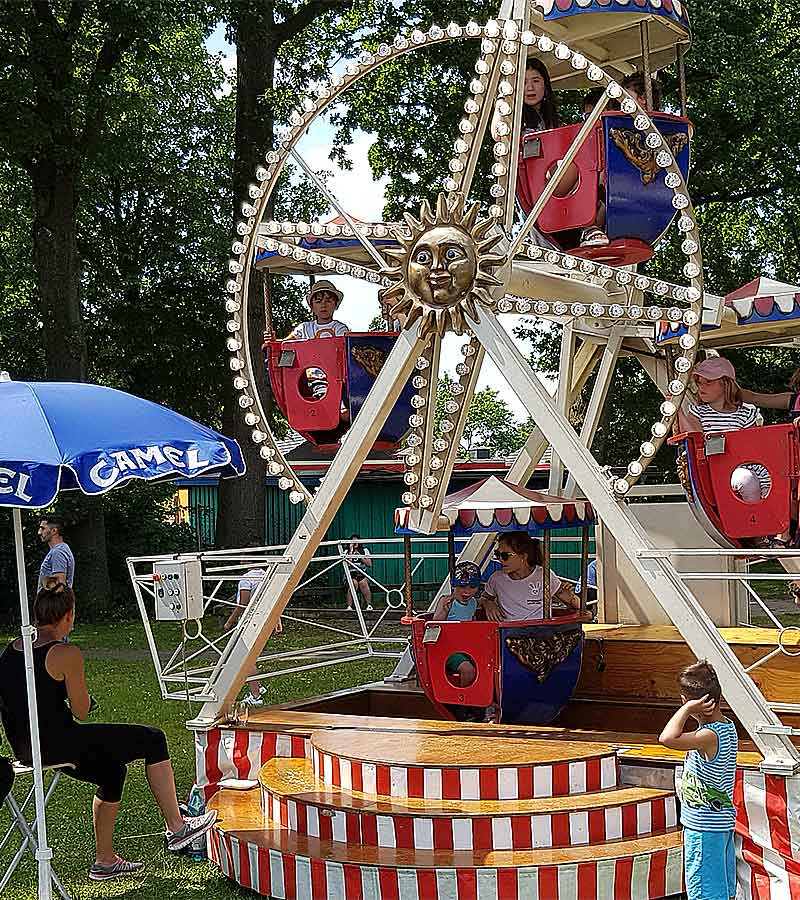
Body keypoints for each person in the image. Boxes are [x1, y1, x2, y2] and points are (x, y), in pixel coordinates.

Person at [0, 583, 217, 881]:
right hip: (61, 745)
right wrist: (84, 699)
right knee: (153, 739)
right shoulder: (65, 653)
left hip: (25, 749)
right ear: (67, 616)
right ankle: (178, 828)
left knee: (111, 770)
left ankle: (104, 861)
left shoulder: (13, 648)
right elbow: (81, 709)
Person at [658, 660, 737, 900]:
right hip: (719, 826)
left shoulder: (708, 736)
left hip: (704, 828)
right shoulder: (726, 727)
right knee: (720, 891)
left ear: (688, 701)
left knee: (704, 892)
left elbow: (667, 738)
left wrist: (685, 710)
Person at [677, 356, 768, 504]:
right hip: (719, 470)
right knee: (746, 479)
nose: (701, 387)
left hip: (748, 466)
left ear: (725, 384)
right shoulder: (697, 413)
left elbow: (753, 447)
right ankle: (752, 519)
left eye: (708, 382)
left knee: (779, 483)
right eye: (699, 383)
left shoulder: (746, 414)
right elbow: (694, 438)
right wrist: (677, 412)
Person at [480, 533, 579, 621]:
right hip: (509, 633)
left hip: (540, 632)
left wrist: (571, 598)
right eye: (498, 554)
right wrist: (488, 604)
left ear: (523, 556)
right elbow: (483, 598)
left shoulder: (544, 575)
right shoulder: (496, 579)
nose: (501, 560)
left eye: (505, 556)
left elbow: (577, 605)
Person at [224, 564, 282, 707]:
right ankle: (257, 686)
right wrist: (277, 619)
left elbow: (243, 604)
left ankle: (255, 694)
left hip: (249, 621)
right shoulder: (267, 576)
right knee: (249, 657)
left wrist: (229, 622)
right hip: (265, 619)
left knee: (246, 659)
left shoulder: (246, 579)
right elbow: (275, 599)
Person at [431, 561, 482, 687]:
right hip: (448, 649)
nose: (467, 592)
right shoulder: (446, 601)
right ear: (453, 585)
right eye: (462, 587)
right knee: (468, 670)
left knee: (487, 665)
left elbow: (472, 622)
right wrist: (444, 611)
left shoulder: (473, 602)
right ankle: (463, 700)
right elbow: (433, 626)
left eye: (472, 587)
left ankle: (484, 697)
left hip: (466, 647)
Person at [37, 516, 74, 590]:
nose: (39, 532)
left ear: (54, 531)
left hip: (53, 601)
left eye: (43, 528)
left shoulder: (57, 552)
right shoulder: (61, 549)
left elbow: (59, 587)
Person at [342, 534, 372, 611]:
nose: (355, 543)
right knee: (353, 584)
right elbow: (348, 564)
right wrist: (351, 551)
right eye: (353, 541)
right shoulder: (346, 552)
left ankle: (369, 605)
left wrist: (360, 556)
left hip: (362, 573)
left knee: (363, 583)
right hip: (350, 574)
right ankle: (349, 606)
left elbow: (369, 564)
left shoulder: (364, 550)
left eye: (356, 541)